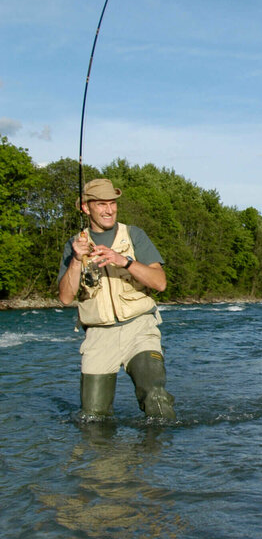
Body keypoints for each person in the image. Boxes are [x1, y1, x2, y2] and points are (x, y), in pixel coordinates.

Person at [58, 178, 176, 420]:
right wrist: (75, 261)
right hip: (98, 335)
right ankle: (105, 457)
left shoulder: (134, 235)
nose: (109, 210)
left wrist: (124, 261)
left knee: (156, 398)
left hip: (140, 328)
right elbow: (65, 297)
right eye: (101, 204)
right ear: (85, 207)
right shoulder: (74, 244)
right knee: (93, 416)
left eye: (112, 203)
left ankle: (162, 457)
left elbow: (160, 282)